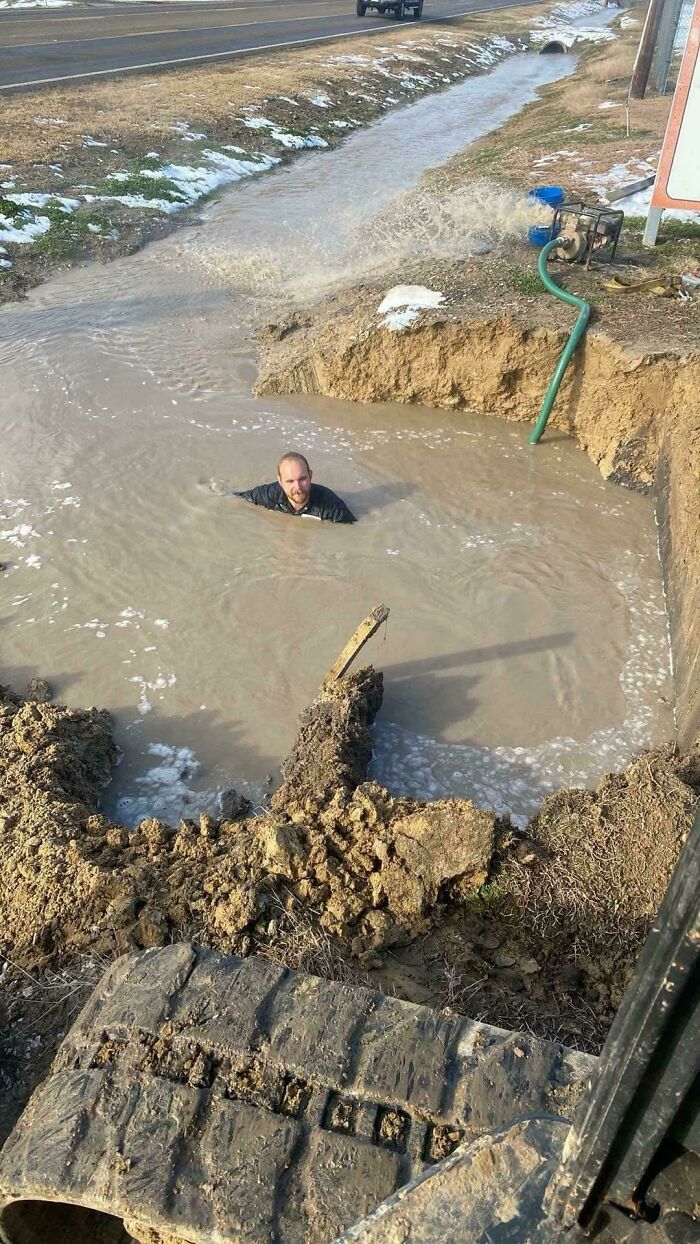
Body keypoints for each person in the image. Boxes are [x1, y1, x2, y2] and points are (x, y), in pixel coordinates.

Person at [232, 452, 356, 523]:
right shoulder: (269, 495)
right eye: (290, 481)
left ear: (310, 475)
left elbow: (353, 530)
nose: (297, 487)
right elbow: (234, 499)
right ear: (280, 481)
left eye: (302, 479)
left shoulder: (331, 506)